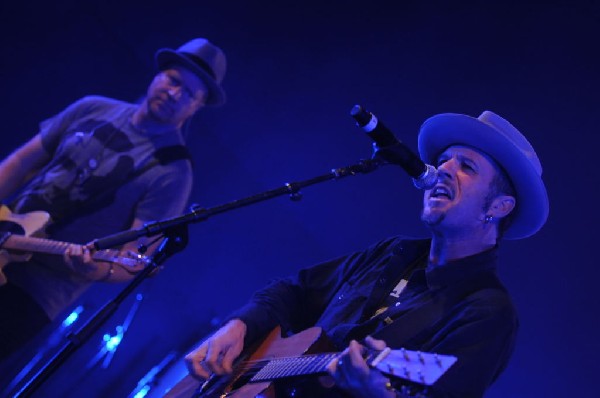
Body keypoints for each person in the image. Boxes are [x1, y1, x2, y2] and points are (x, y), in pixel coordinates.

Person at [181, 110, 549, 397]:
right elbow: (293, 291)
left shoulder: (487, 311)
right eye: (445, 160)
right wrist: (239, 325)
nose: (442, 170)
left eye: (466, 167)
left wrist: (379, 395)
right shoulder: (391, 253)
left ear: (499, 207)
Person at [0, 37, 227, 360]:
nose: (175, 93)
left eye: (189, 93)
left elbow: (133, 261)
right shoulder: (93, 107)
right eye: (174, 80)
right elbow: (22, 161)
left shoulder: (175, 173)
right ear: (158, 74)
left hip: (34, 293)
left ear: (196, 107)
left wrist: (93, 270)